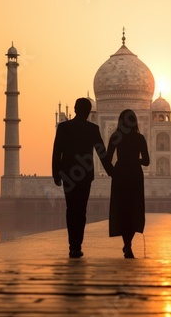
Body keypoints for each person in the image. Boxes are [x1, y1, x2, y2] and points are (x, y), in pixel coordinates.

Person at [52, 98, 113, 258]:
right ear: (88, 112)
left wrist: (56, 173)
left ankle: (72, 245)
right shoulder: (92, 128)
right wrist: (112, 171)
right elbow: (101, 152)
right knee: (81, 210)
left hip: (68, 174)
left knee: (70, 209)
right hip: (85, 175)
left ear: (75, 109)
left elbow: (57, 151)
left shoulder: (64, 127)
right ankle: (77, 246)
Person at [107, 109, 149, 258]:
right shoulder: (140, 138)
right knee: (133, 210)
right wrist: (134, 160)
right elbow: (146, 161)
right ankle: (128, 245)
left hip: (120, 175)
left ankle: (127, 245)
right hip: (135, 175)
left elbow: (107, 159)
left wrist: (113, 172)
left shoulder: (115, 137)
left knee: (122, 209)